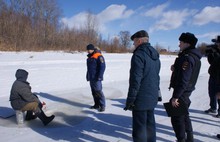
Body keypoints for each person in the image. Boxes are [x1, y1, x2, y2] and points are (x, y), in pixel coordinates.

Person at [124, 30, 161, 142]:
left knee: (139, 129)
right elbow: (156, 77)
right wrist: (157, 94)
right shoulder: (155, 55)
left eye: (134, 42)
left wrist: (130, 100)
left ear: (139, 41)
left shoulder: (139, 55)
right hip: (152, 96)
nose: (133, 44)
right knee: (150, 126)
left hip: (141, 98)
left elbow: (135, 80)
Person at [168, 32, 202, 142]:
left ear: (187, 43)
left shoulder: (187, 58)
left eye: (180, 42)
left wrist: (176, 96)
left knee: (177, 118)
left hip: (182, 91)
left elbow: (184, 79)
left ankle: (181, 139)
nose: (179, 45)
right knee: (184, 115)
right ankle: (190, 138)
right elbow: (187, 74)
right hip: (186, 90)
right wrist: (176, 68)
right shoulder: (192, 56)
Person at [86, 44, 106, 112]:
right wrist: (88, 75)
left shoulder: (99, 56)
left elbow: (102, 67)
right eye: (87, 50)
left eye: (89, 50)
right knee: (94, 92)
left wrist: (100, 76)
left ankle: (102, 105)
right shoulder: (90, 57)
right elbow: (89, 68)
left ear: (92, 49)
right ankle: (96, 104)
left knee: (98, 91)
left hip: (97, 77)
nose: (88, 51)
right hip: (91, 77)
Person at [204, 36, 220, 117]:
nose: (217, 44)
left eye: (218, 43)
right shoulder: (216, 51)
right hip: (213, 76)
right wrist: (211, 54)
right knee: (211, 93)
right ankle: (213, 108)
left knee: (218, 94)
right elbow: (212, 63)